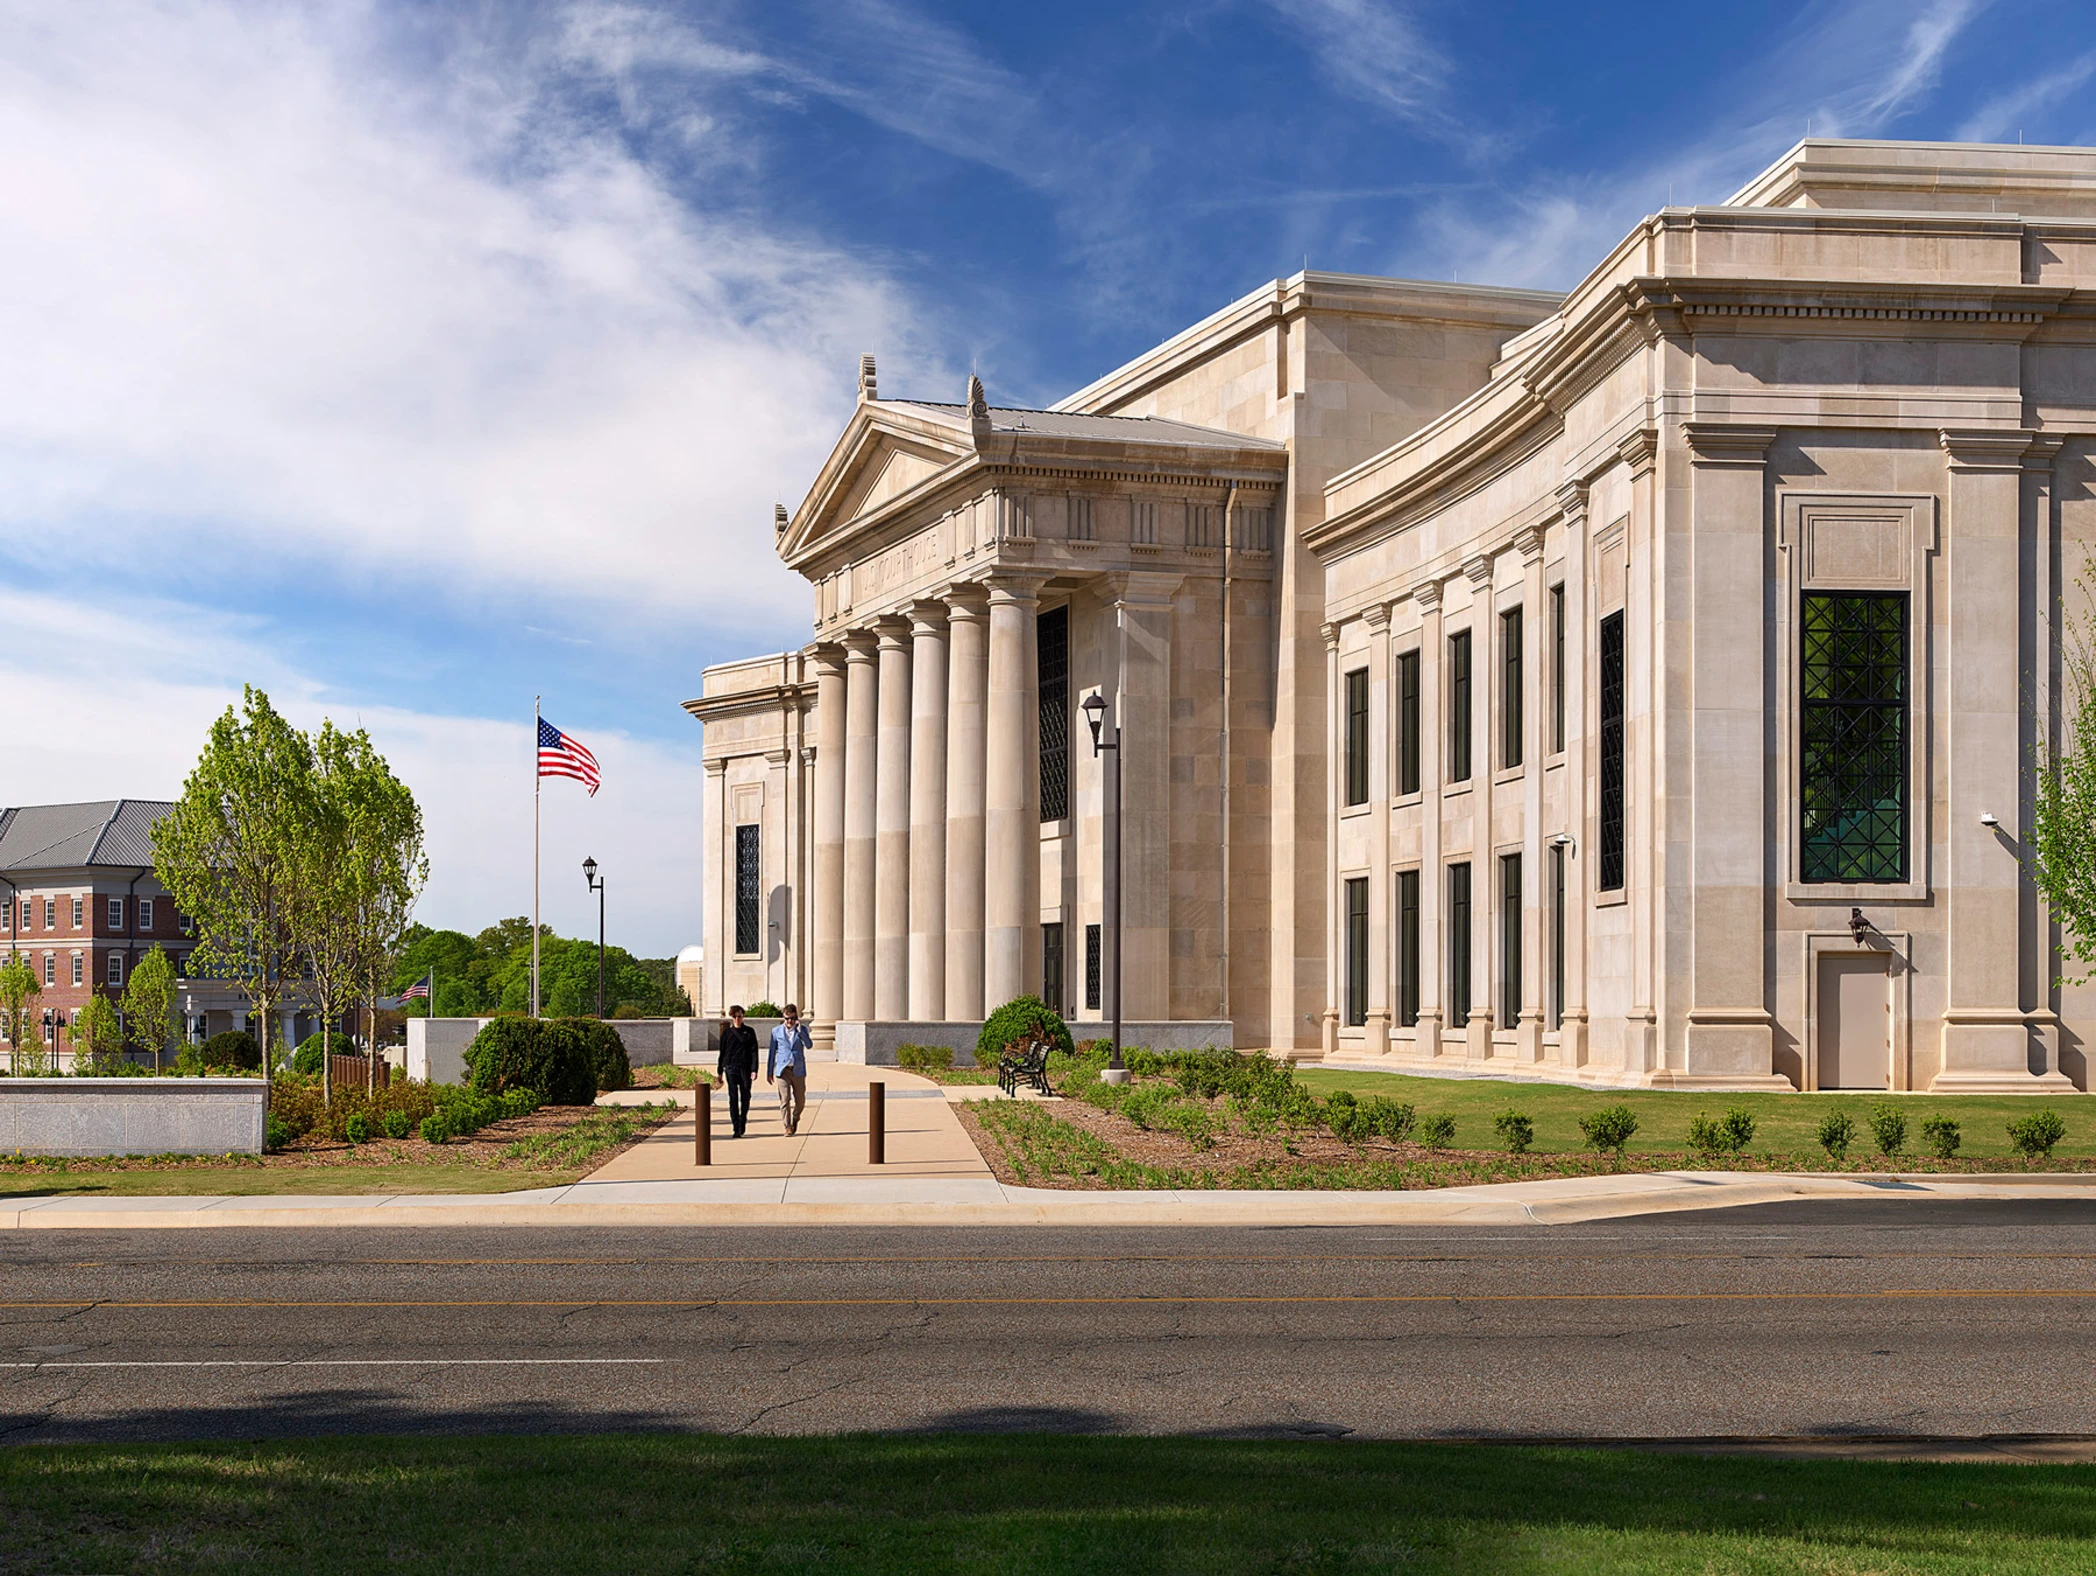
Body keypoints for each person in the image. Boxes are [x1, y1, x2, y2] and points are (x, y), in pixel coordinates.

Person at [766, 1003, 812, 1136]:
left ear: (796, 1018)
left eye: (792, 1018)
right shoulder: (776, 1031)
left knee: (800, 1101)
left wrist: (800, 1032)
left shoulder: (802, 1030)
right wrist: (769, 1072)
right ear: (783, 1018)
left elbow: (809, 1045)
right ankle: (787, 1126)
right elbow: (772, 1052)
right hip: (783, 1070)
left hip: (798, 1070)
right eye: (787, 1019)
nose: (789, 1021)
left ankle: (795, 1119)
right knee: (785, 1099)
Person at [717, 1006, 758, 1138]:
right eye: (734, 1016)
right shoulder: (727, 1033)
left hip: (745, 1069)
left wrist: (754, 1069)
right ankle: (736, 1127)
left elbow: (754, 1052)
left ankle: (742, 1121)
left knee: (745, 1096)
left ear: (743, 1016)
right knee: (733, 1098)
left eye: (739, 1016)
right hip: (731, 1068)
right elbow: (722, 1053)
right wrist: (719, 1071)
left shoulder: (750, 1032)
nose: (737, 1019)